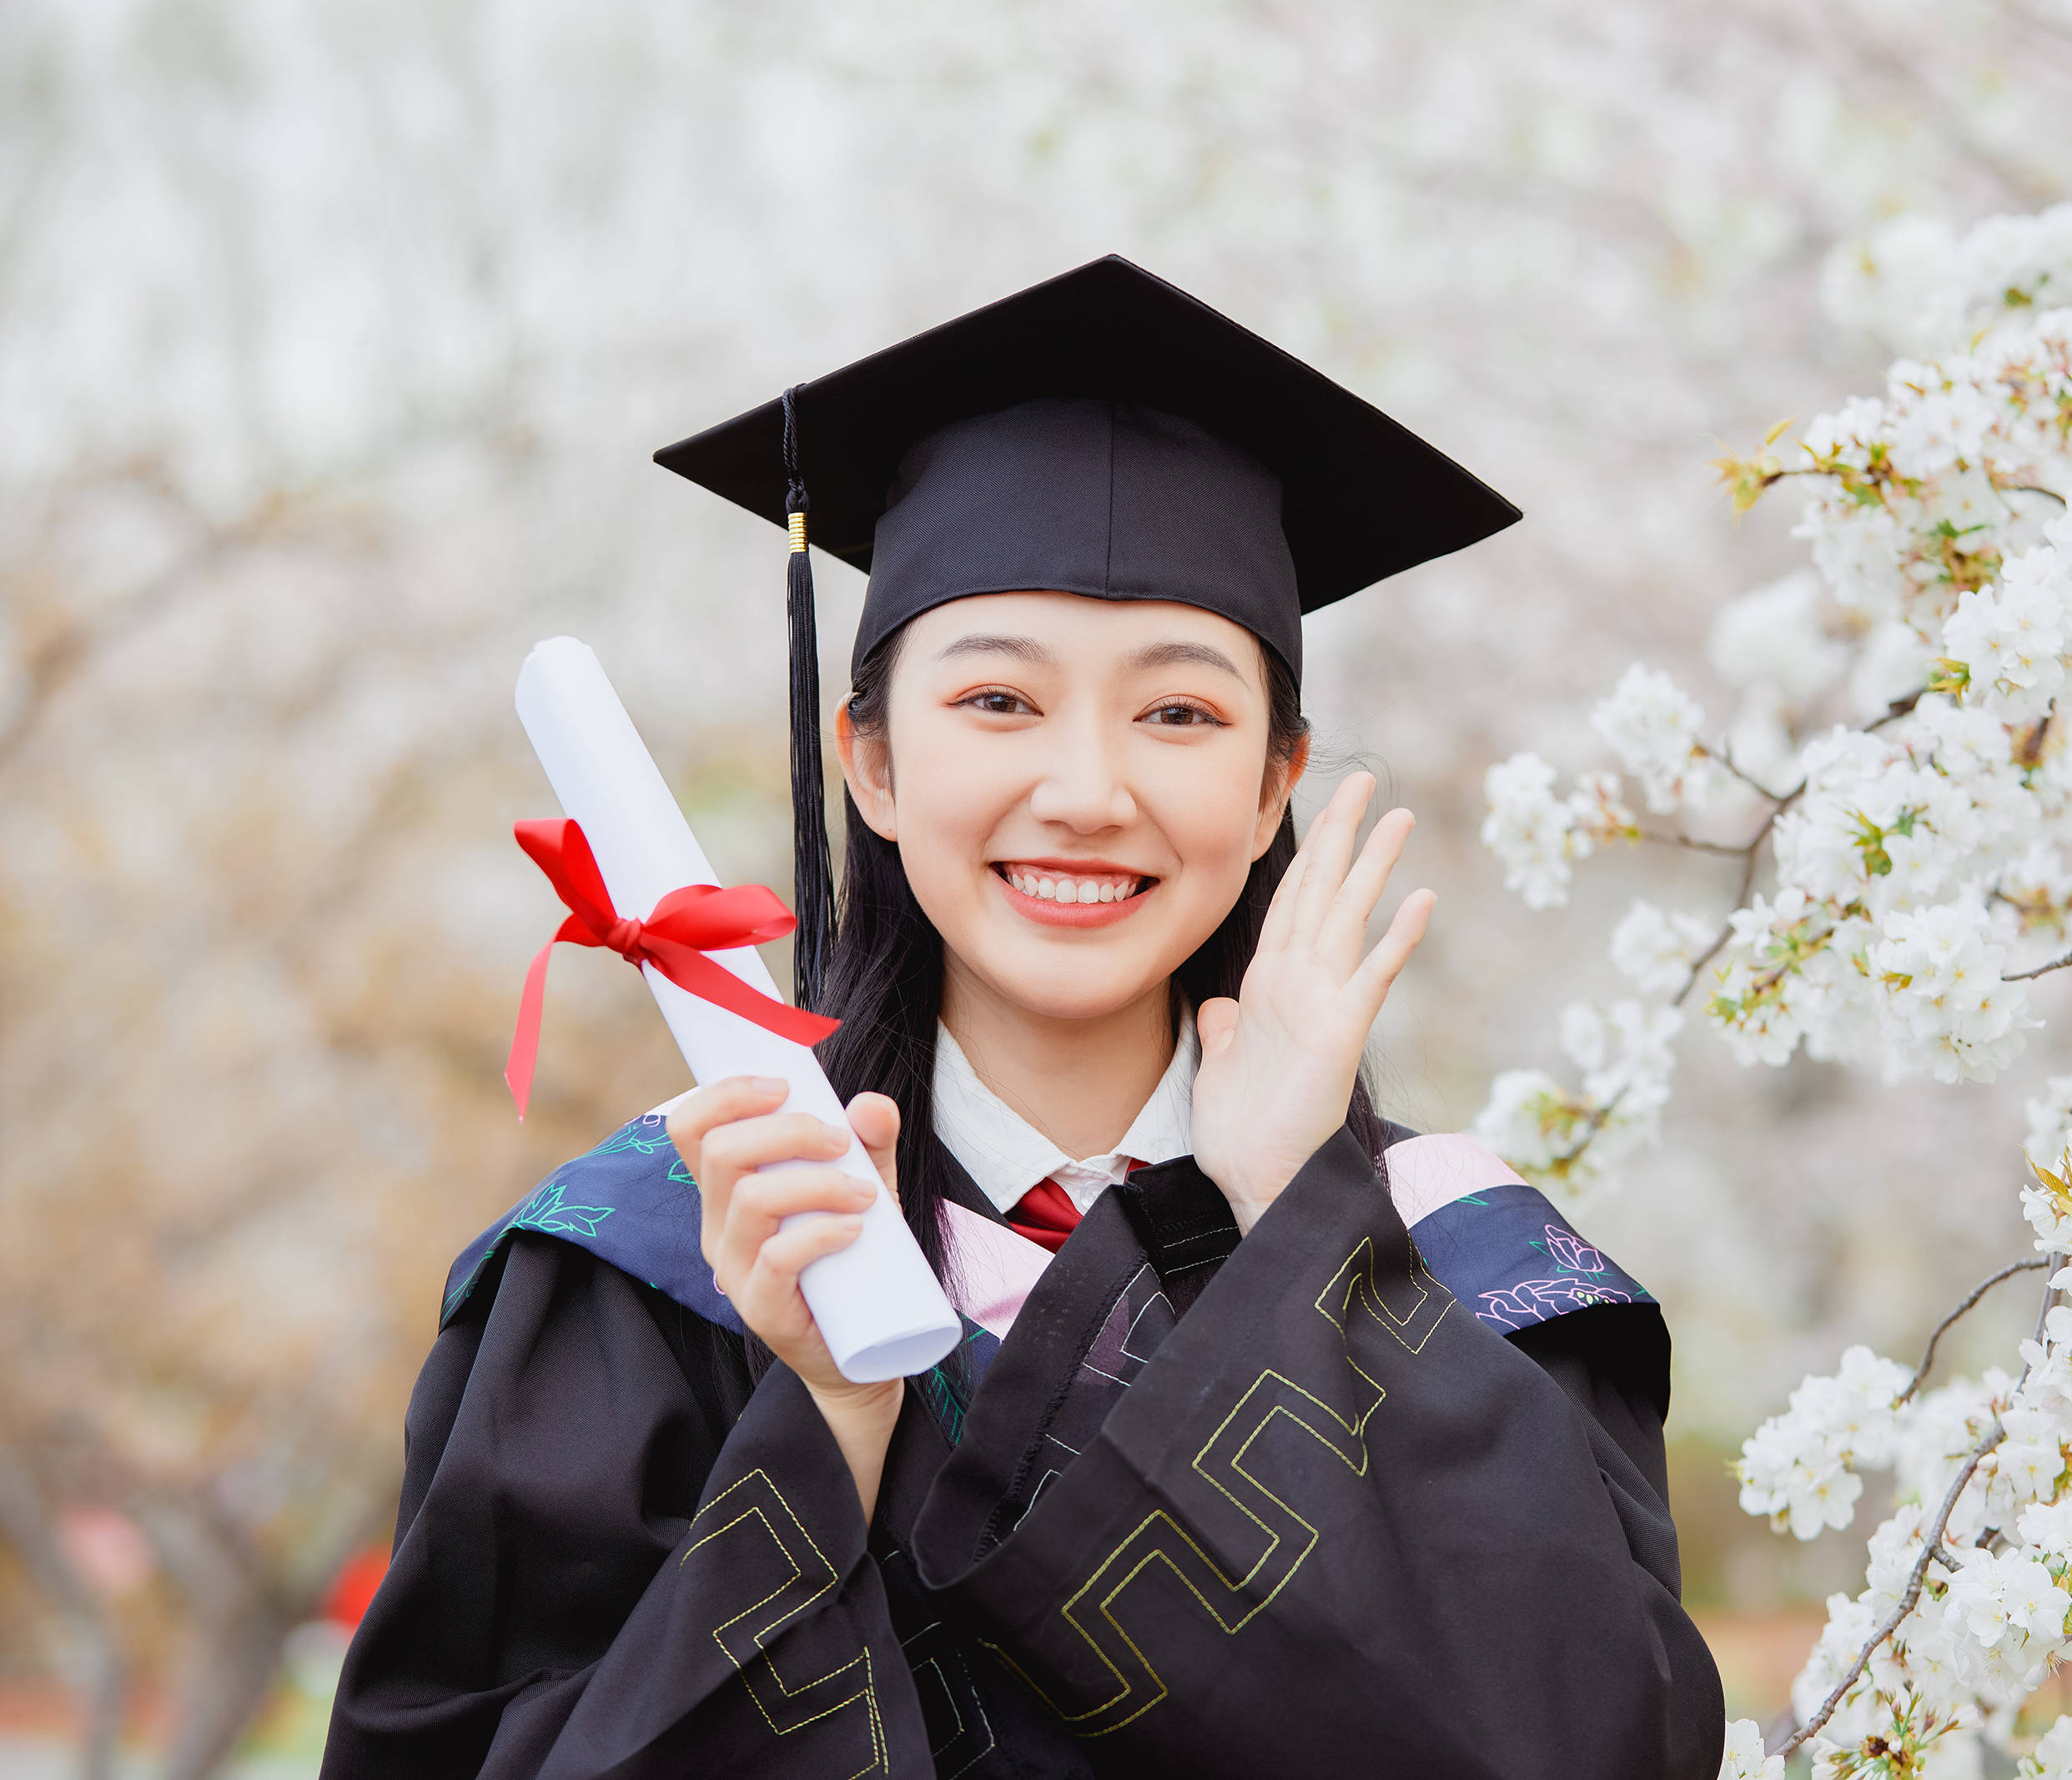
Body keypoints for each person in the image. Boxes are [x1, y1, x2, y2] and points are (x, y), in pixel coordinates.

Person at [323, 257, 1723, 1779]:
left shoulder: (1455, 1263)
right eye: (998, 701)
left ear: (1273, 787)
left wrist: (1298, 1221)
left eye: (1178, 712)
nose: (1084, 790)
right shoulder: (673, 1257)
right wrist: (829, 1418)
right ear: (868, 759)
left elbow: (1611, 1742)